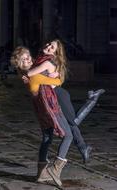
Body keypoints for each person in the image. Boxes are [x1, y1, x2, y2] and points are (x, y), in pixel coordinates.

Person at [20, 39, 105, 183]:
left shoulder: (48, 61)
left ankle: (92, 100)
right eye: (48, 44)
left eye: (52, 47)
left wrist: (33, 77)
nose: (48, 46)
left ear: (55, 52)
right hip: (51, 98)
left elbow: (31, 73)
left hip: (59, 96)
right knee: (68, 126)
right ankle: (83, 147)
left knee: (73, 122)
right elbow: (34, 75)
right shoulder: (43, 59)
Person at [11, 46, 74, 187]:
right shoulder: (32, 74)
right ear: (19, 64)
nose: (27, 60)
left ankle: (41, 174)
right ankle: (55, 169)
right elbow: (57, 82)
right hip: (50, 107)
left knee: (47, 138)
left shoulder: (29, 73)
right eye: (23, 60)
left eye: (28, 56)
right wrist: (55, 76)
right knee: (68, 136)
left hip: (41, 109)